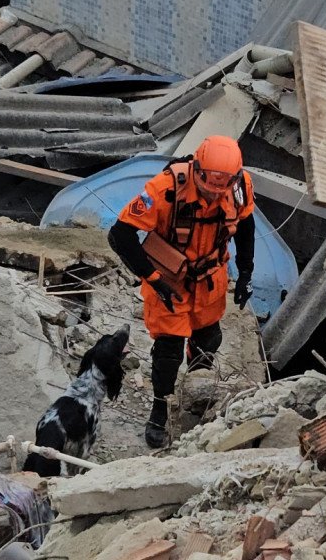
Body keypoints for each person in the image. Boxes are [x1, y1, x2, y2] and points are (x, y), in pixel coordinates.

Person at [107, 135, 255, 448]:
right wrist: (152, 277)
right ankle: (160, 409)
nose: (213, 195)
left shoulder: (239, 188)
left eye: (221, 189)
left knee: (208, 341)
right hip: (169, 281)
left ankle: (194, 396)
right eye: (207, 187)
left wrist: (246, 273)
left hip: (211, 280)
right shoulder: (164, 189)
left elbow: (246, 225)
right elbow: (120, 234)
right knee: (168, 353)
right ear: (197, 169)